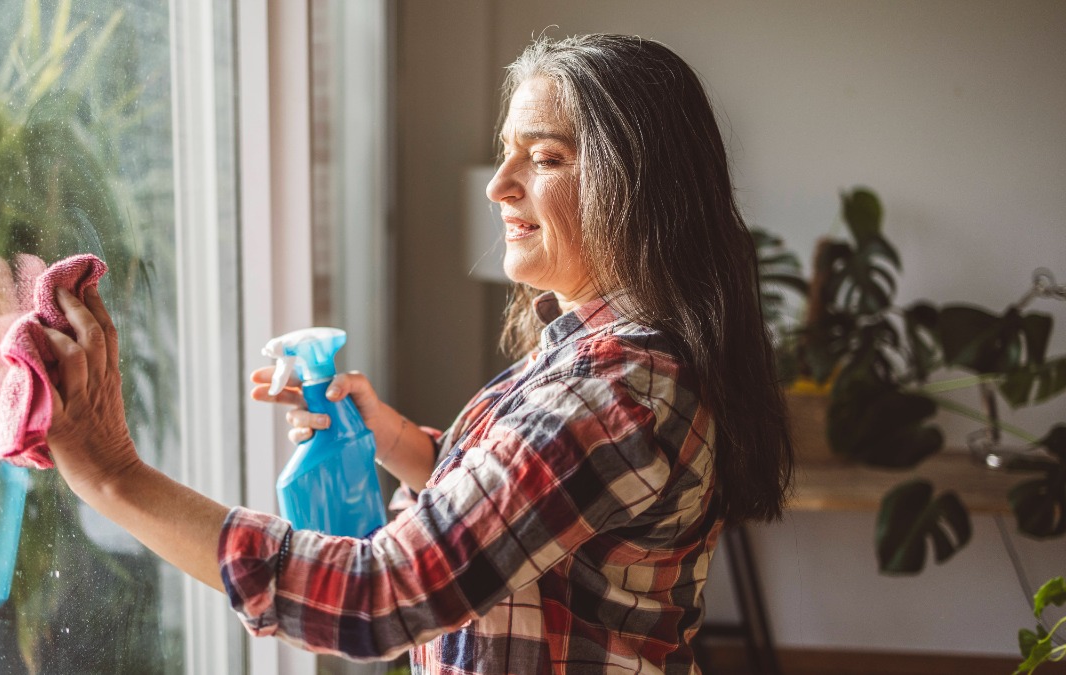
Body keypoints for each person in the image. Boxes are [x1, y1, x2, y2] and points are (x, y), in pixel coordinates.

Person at [43, 34, 793, 674]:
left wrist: (113, 476)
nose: (501, 185)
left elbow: (380, 597)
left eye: (547, 158)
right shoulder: (605, 361)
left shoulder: (618, 391)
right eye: (508, 154)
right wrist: (392, 438)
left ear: (637, 186)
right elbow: (542, 515)